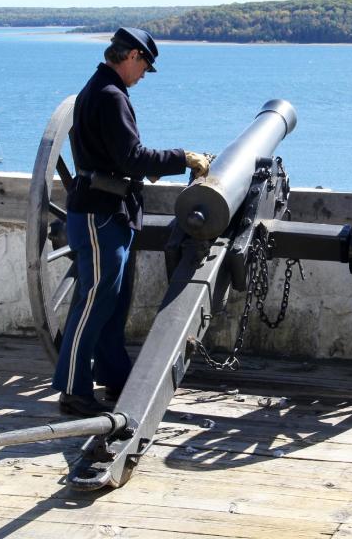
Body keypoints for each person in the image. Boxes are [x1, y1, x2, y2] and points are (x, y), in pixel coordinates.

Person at [53, 27, 210, 416]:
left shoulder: (103, 90)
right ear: (133, 56)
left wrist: (140, 169)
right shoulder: (109, 96)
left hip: (109, 209)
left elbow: (120, 158)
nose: (142, 76)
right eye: (144, 67)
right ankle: (73, 389)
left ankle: (115, 378)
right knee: (94, 302)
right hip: (99, 214)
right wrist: (183, 158)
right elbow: (133, 157)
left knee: (112, 302)